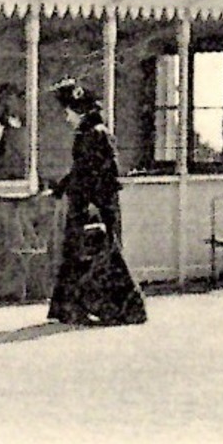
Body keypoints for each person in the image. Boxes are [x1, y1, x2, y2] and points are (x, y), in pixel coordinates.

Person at [46, 80, 148, 326]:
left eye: (67, 111)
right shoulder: (86, 134)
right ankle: (71, 308)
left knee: (101, 258)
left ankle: (121, 310)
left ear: (79, 110)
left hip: (96, 207)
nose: (65, 117)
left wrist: (94, 204)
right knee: (78, 256)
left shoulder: (98, 134)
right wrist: (59, 190)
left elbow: (106, 173)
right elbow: (80, 170)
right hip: (84, 204)